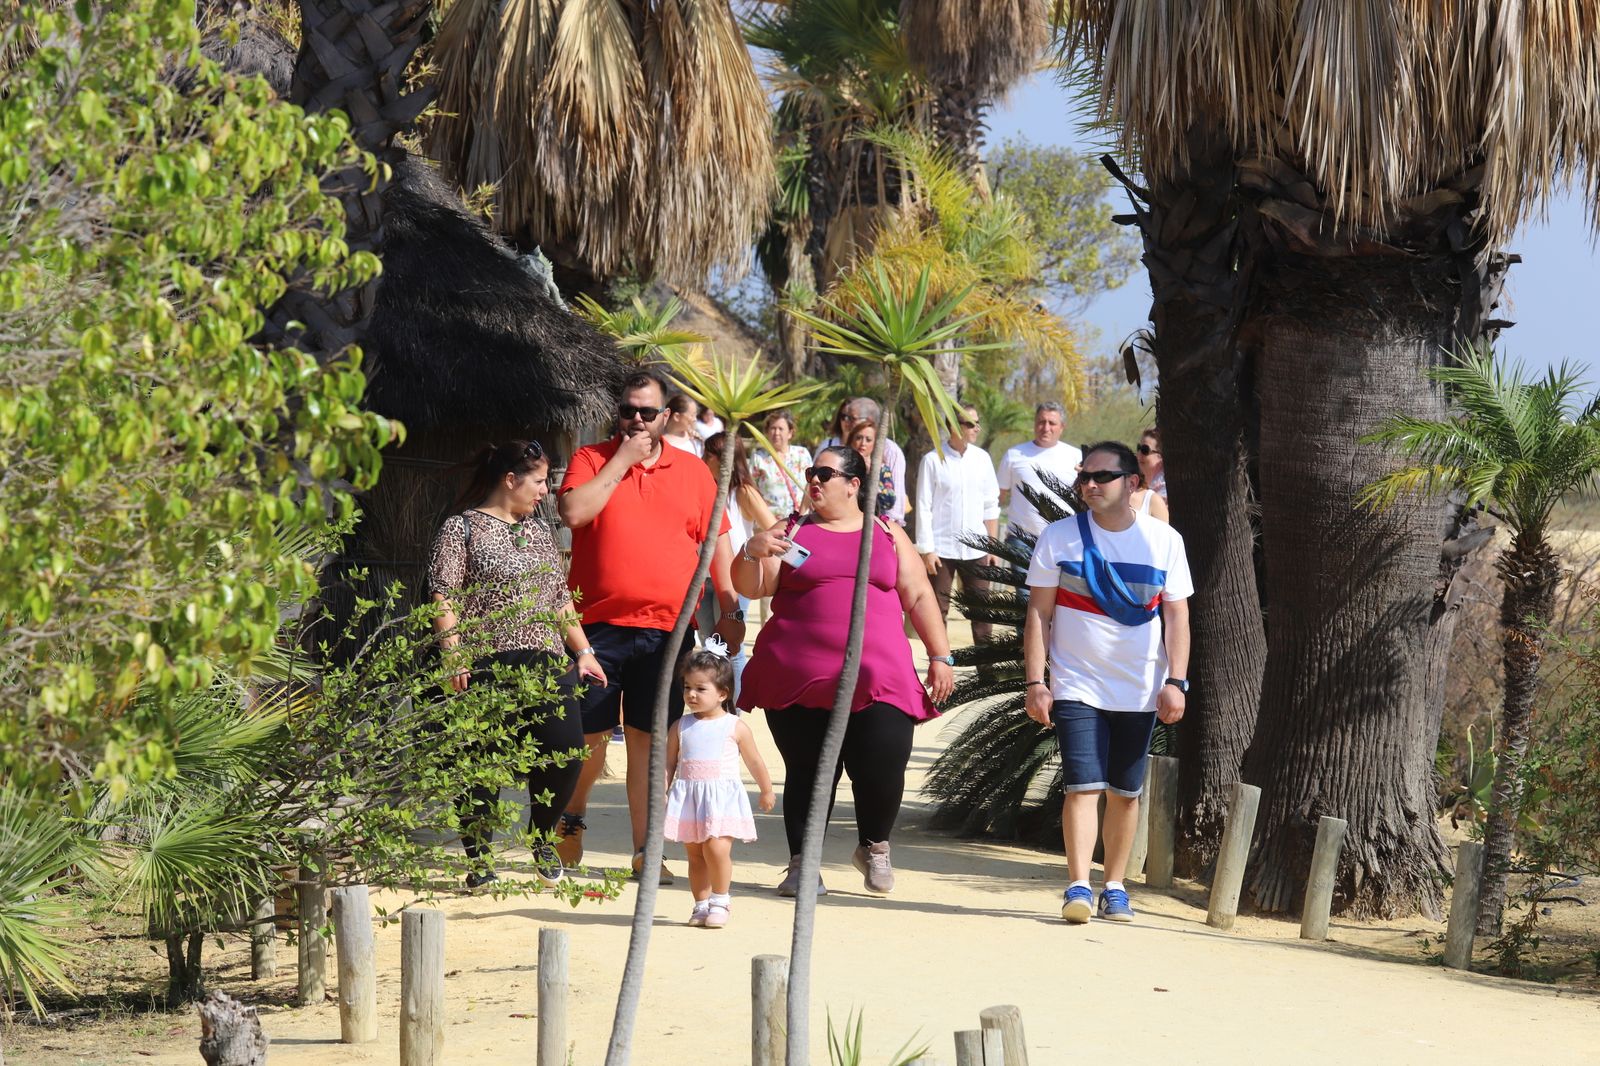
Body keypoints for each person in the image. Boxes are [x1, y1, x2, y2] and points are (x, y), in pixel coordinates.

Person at [734, 446, 956, 896]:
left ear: (854, 484)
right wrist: (750, 552)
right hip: (799, 677)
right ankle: (802, 863)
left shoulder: (886, 532)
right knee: (811, 772)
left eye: (825, 473)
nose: (814, 480)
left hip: (880, 677)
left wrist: (940, 655)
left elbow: (918, 595)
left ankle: (874, 846)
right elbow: (753, 585)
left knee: (885, 765)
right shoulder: (791, 529)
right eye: (811, 473)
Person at [557, 370, 744, 884]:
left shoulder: (693, 473)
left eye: (647, 412)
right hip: (595, 625)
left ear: (666, 417)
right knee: (589, 738)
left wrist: (729, 606)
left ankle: (645, 851)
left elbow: (716, 545)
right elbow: (573, 512)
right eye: (628, 411)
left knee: (650, 741)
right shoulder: (591, 459)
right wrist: (622, 460)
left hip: (669, 629)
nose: (636, 420)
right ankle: (572, 816)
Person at [1022, 441, 1192, 924]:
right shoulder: (1058, 537)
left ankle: (1114, 887)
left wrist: (1176, 681)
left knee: (1125, 791)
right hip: (1076, 683)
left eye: (1102, 477)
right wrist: (1037, 680)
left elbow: (1177, 616)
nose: (1089, 486)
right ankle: (1078, 884)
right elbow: (1039, 612)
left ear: (1132, 483)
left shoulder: (1165, 542)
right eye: (1084, 478)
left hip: (1139, 687)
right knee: (1082, 786)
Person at [428, 440, 608, 890]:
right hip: (485, 657)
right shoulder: (461, 527)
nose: (545, 491)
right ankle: (480, 857)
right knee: (480, 761)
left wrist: (583, 652)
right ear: (511, 480)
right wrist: (452, 651)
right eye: (540, 481)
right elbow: (442, 591)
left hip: (546, 658)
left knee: (565, 752)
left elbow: (558, 599)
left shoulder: (540, 532)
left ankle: (541, 839)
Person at [664, 642, 776, 928]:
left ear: (722, 693)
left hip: (720, 799)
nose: (691, 694)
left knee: (716, 849)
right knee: (695, 853)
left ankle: (721, 901)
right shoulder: (680, 726)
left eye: (701, 689)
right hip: (689, 796)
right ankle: (701, 905)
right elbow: (669, 763)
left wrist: (766, 789)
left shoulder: (734, 726)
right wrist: (661, 791)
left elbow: (755, 761)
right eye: (688, 687)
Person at [698, 432, 777, 700]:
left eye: (709, 454)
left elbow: (773, 528)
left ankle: (737, 708)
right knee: (709, 645)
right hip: (702, 575)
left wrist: (754, 555)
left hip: (733, 577)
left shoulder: (742, 491)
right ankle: (717, 703)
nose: (704, 458)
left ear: (723, 459)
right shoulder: (703, 488)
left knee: (732, 647)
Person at [914, 404, 1000, 645]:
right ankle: (942, 668)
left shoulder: (982, 459)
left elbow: (990, 504)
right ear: (953, 426)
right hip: (941, 550)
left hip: (976, 549)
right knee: (936, 611)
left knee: (982, 613)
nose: (977, 428)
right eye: (970, 423)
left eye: (977, 422)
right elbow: (923, 506)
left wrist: (992, 546)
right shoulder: (932, 460)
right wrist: (927, 550)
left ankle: (986, 676)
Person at [997, 401, 1083, 557]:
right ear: (1035, 424)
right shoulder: (1014, 454)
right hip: (1021, 539)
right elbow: (997, 498)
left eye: (1052, 423)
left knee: (1059, 583)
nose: (1046, 428)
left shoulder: (1076, 456)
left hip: (1062, 540)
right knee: (1022, 582)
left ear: (1062, 427)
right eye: (1041, 422)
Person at [819, 397, 907, 525]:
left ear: (869, 420)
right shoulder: (840, 451)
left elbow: (895, 505)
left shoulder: (890, 451)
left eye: (852, 418)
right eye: (845, 417)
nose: (846, 422)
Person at [749, 409, 812, 520]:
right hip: (770, 524)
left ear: (790, 433)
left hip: (800, 522)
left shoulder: (802, 454)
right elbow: (751, 491)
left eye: (781, 429)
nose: (776, 433)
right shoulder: (759, 458)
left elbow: (810, 485)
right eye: (773, 428)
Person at [847, 420, 898, 521]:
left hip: (872, 523)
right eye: (858, 438)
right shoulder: (842, 466)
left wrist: (872, 475)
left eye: (868, 439)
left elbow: (889, 501)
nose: (863, 443)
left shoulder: (882, 469)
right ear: (852, 440)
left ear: (875, 444)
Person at [1137, 428, 1167, 501]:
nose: (1139, 453)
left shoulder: (1165, 487)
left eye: (1145, 450)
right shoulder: (1134, 477)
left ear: (1160, 456)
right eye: (1138, 448)